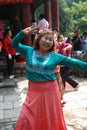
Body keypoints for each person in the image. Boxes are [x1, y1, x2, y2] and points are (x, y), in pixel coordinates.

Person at [11, 26, 87, 130]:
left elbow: (74, 62)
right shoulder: (28, 51)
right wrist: (22, 34)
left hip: (50, 92)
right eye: (45, 38)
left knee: (49, 118)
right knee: (26, 117)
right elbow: (14, 44)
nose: (48, 41)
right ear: (38, 39)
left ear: (53, 43)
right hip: (33, 92)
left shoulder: (55, 56)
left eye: (51, 40)